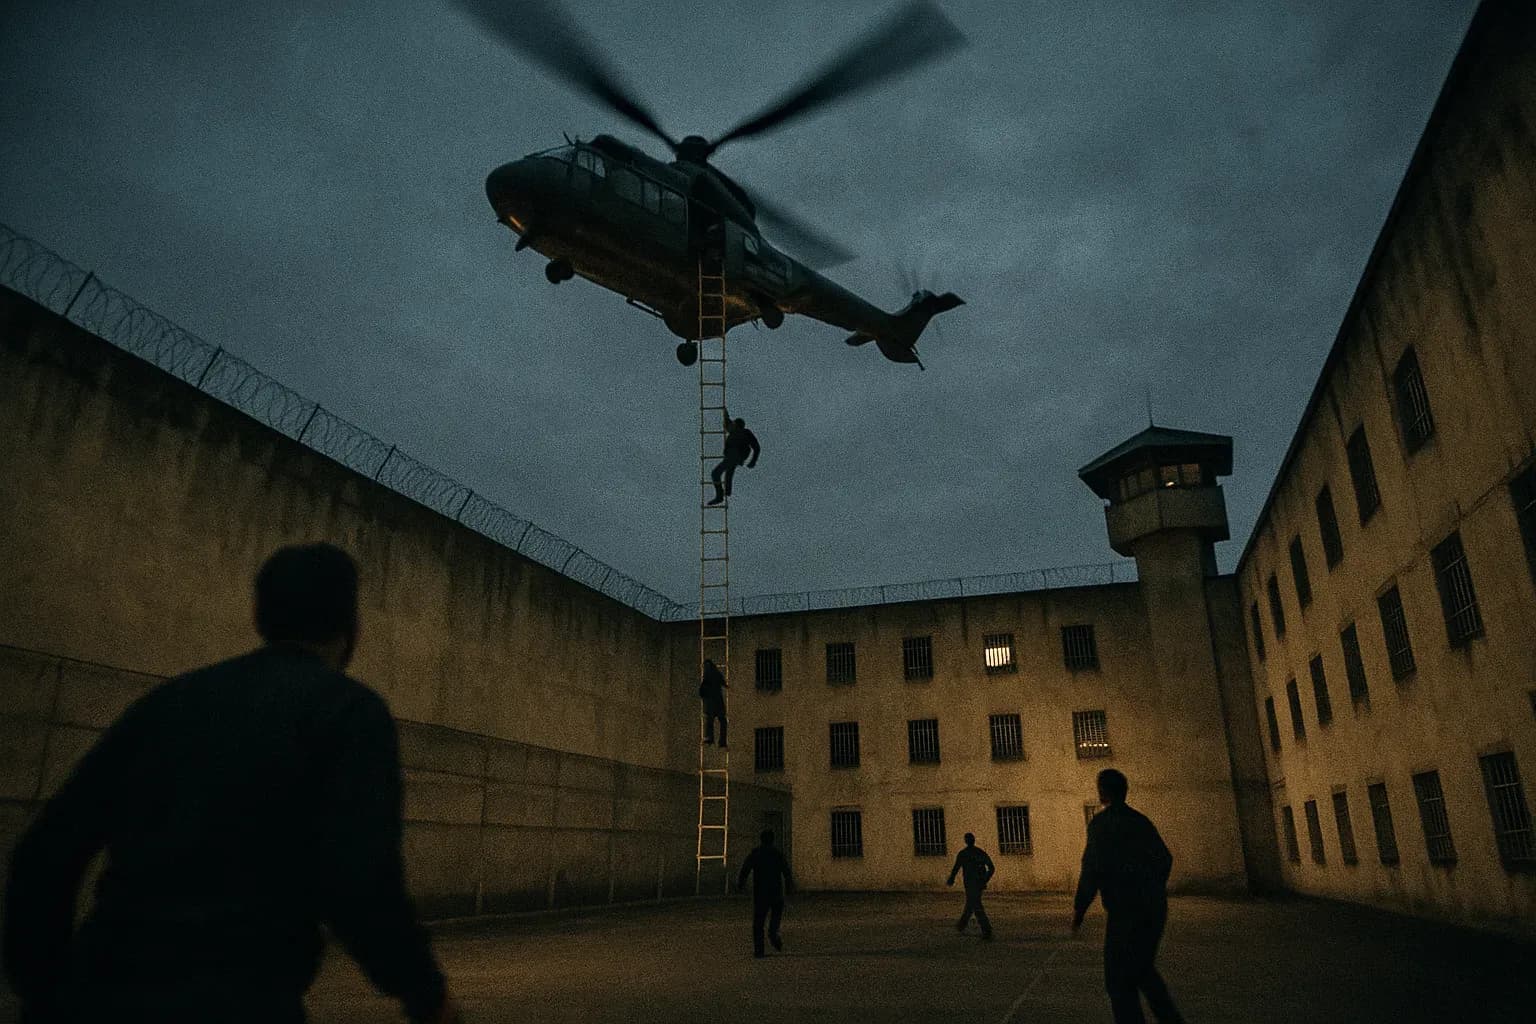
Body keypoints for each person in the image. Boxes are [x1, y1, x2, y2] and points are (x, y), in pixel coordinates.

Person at [1, 544, 462, 1024]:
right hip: (240, 994)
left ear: (259, 615)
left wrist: (45, 989)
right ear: (352, 628)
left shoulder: (169, 704)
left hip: (104, 983)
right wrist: (425, 993)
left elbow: (46, 850)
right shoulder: (347, 712)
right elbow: (361, 879)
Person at [1072, 768, 1185, 1024]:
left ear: (1103, 792)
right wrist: (1153, 888)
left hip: (1125, 912)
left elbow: (1091, 870)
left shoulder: (1102, 825)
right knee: (1142, 969)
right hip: (1153, 908)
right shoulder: (1140, 821)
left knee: (1118, 979)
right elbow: (1164, 859)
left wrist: (1079, 909)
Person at [736, 830, 796, 958]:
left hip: (761, 893)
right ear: (772, 840)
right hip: (776, 892)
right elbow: (786, 871)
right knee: (775, 918)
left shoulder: (756, 853)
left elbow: (745, 869)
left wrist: (740, 884)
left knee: (758, 923)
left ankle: (759, 951)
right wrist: (789, 888)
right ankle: (773, 935)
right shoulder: (777, 854)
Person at [707, 406, 760, 506]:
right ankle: (726, 492)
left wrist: (753, 461)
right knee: (729, 472)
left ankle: (720, 496)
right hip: (733, 456)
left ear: (737, 425)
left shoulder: (745, 432)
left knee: (716, 473)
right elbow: (728, 423)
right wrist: (725, 413)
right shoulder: (734, 431)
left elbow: (756, 447)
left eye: (734, 424)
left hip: (736, 455)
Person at [947, 832, 995, 940]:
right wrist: (985, 879)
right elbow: (991, 868)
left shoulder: (963, 853)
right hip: (978, 883)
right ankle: (963, 925)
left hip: (970, 883)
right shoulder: (979, 852)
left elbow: (956, 867)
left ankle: (986, 929)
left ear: (966, 841)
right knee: (972, 903)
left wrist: (951, 878)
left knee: (975, 905)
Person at [698, 657, 728, 748]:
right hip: (717, 702)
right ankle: (721, 741)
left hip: (712, 703)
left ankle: (712, 739)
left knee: (710, 721)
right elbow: (722, 682)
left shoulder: (707, 676)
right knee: (721, 721)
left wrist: (703, 696)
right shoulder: (715, 673)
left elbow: (702, 691)